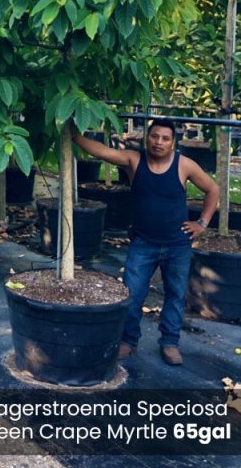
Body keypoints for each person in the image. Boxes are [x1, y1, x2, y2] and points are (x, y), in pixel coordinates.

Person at [73, 119, 219, 366]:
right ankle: (128, 341)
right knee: (132, 293)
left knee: (174, 295)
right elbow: (103, 152)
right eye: (154, 136)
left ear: (173, 143)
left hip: (177, 245)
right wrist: (74, 135)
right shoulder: (134, 160)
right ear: (146, 138)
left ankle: (170, 343)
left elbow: (212, 189)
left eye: (165, 138)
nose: (158, 142)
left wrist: (202, 224)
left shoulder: (184, 165)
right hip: (144, 243)